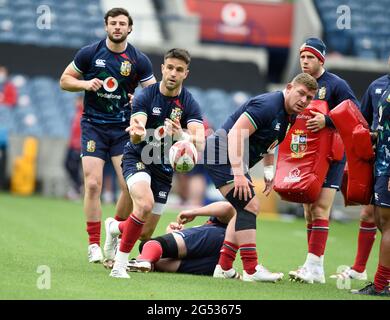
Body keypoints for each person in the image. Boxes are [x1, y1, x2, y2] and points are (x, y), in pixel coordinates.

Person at [59, 7, 156, 263]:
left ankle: (114, 233)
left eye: (122, 23)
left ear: (130, 28)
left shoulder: (138, 59)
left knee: (128, 187)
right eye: (113, 23)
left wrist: (142, 99)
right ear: (106, 26)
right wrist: (84, 84)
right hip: (93, 126)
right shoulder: (89, 53)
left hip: (123, 130)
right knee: (92, 184)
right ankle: (93, 244)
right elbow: (64, 80)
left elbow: (155, 94)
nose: (117, 27)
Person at [202, 73, 318, 282]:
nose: (304, 101)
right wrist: (238, 172)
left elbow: (271, 142)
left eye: (309, 98)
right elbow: (235, 134)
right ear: (290, 87)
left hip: (232, 158)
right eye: (301, 93)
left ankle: (224, 267)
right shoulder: (268, 105)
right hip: (220, 153)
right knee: (250, 205)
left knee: (243, 208)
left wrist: (268, 172)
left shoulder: (290, 113)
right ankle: (251, 269)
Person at [104, 48, 205, 278]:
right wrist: (138, 132)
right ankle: (120, 265)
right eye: (169, 67)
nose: (173, 73)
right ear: (162, 68)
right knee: (145, 204)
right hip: (138, 157)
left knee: (145, 232)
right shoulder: (145, 96)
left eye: (179, 70)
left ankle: (113, 228)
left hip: (164, 169)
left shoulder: (189, 103)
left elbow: (200, 141)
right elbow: (136, 133)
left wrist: (182, 136)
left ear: (185, 74)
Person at [288, 38, 360, 284]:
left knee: (320, 208)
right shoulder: (299, 84)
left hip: (331, 156)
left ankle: (314, 266)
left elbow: (355, 113)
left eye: (310, 57)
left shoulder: (336, 84)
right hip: (306, 155)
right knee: (308, 211)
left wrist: (327, 121)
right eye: (302, 57)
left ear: (321, 59)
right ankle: (313, 266)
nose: (305, 61)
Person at [330, 57, 390, 281]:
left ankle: (381, 280)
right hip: (376, 159)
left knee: (385, 221)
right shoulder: (377, 86)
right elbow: (362, 122)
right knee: (371, 214)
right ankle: (360, 269)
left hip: (387, 162)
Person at [105, 201, 236, 276]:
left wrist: (193, 212)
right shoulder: (220, 228)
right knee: (157, 263)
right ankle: (132, 263)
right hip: (214, 264)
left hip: (215, 237)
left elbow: (228, 208)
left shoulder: (216, 227)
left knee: (150, 244)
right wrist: (172, 233)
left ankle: (142, 260)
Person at [351, 84, 390, 296]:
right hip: (381, 163)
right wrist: (375, 137)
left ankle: (381, 284)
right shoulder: (383, 88)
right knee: (380, 221)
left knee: (388, 223)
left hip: (388, 167)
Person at [64, 95, 83, 201]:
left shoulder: (84, 114)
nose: (77, 103)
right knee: (67, 164)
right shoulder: (76, 113)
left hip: (78, 146)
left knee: (74, 166)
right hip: (72, 144)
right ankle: (78, 185)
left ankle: (78, 188)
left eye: (79, 101)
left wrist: (79, 145)